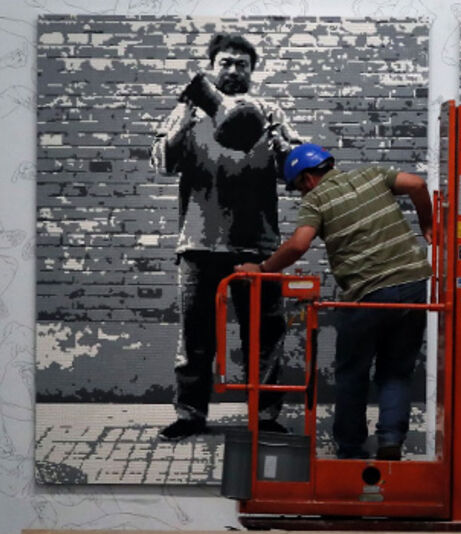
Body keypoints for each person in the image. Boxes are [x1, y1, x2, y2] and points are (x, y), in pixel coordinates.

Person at [234, 144, 434, 461]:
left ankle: (351, 449)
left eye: (300, 188)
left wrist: (263, 268)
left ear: (307, 179)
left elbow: (299, 244)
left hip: (367, 292)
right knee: (396, 372)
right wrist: (427, 224)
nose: (302, 194)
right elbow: (417, 184)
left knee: (352, 373)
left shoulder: (317, 199)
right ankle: (390, 442)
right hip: (412, 285)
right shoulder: (373, 175)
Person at [150, 32, 304, 440]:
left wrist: (281, 143)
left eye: (242, 64)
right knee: (195, 336)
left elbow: (295, 171)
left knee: (264, 335)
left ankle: (264, 416)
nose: (233, 70)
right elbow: (163, 162)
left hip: (258, 246)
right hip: (199, 243)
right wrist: (185, 114)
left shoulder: (269, 110)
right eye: (226, 63)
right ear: (212, 67)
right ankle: (190, 415)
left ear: (252, 71)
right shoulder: (190, 111)